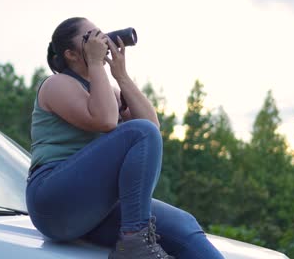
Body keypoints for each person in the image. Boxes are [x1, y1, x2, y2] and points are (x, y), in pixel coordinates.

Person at [25, 17, 224, 259]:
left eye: (101, 34)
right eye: (90, 37)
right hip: (54, 201)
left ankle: (136, 238)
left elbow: (152, 128)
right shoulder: (56, 84)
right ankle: (134, 243)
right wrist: (97, 64)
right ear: (71, 54)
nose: (100, 40)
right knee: (138, 132)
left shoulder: (110, 93)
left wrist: (121, 76)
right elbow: (106, 121)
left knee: (184, 226)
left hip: (94, 209)